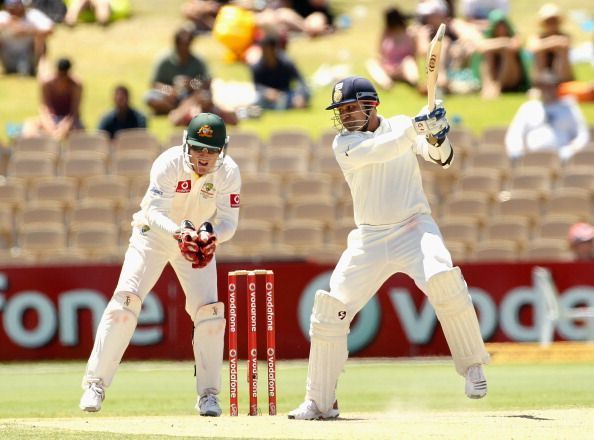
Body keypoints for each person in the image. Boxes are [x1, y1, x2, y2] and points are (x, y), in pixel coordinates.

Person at [287, 76, 489, 420]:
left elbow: (442, 158)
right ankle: (319, 401)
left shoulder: (399, 127)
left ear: (371, 105)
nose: (346, 116)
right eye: (342, 111)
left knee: (444, 279)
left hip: (413, 227)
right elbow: (385, 149)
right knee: (330, 309)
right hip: (369, 238)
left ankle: (473, 367)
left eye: (351, 108)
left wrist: (438, 136)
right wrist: (417, 126)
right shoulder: (345, 145)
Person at [79, 113, 241, 417]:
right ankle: (95, 384)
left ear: (223, 150)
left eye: (211, 150)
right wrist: (179, 232)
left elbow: (229, 222)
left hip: (194, 243)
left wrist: (211, 235)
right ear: (186, 144)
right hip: (154, 236)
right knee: (125, 303)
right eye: (198, 148)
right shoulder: (168, 163)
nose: (204, 157)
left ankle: (208, 395)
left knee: (210, 314)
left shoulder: (229, 173)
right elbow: (153, 212)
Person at [504, 70, 590, 162]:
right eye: (544, 86)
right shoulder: (529, 108)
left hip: (563, 159)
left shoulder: (569, 108)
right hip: (531, 159)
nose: (548, 90)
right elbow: (515, 133)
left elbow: (582, 135)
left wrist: (571, 149)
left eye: (551, 86)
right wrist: (517, 150)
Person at [145, 26, 210, 115]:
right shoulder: (165, 60)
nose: (184, 47)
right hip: (169, 97)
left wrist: (191, 84)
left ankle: (181, 109)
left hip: (191, 96)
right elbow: (154, 84)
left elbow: (207, 82)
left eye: (187, 43)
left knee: (206, 97)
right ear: (176, 43)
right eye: (181, 43)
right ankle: (179, 110)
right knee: (149, 97)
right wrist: (169, 90)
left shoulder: (198, 61)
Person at [472, 9, 530, 100]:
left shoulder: (514, 36)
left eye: (503, 26)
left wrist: (501, 45)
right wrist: (504, 43)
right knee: (488, 54)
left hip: (513, 77)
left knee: (507, 52)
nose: (501, 30)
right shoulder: (488, 38)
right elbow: (482, 47)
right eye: (498, 27)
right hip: (494, 73)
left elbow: (514, 46)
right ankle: (487, 86)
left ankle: (497, 87)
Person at [21, 57, 83, 140]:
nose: (62, 78)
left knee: (79, 132)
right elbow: (44, 108)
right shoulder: (47, 83)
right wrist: (50, 125)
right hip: (51, 118)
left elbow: (74, 111)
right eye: (60, 75)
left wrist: (66, 125)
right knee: (29, 126)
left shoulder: (76, 85)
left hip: (69, 120)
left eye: (64, 75)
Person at [249, 32, 310, 110]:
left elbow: (300, 81)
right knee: (257, 99)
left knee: (307, 93)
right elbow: (257, 85)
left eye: (266, 49)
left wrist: (299, 95)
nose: (264, 52)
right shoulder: (257, 66)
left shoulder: (286, 62)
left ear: (274, 49)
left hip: (286, 94)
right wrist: (267, 92)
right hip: (267, 96)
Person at [365, 6, 420, 91]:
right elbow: (379, 53)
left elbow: (414, 54)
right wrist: (385, 65)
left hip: (403, 67)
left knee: (408, 61)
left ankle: (412, 80)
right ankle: (386, 83)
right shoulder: (385, 34)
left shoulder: (410, 33)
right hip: (387, 67)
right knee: (371, 63)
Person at [0, 0, 54, 76]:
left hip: (27, 56)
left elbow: (50, 30)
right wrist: (6, 26)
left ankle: (39, 69)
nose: (14, 9)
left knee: (40, 38)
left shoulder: (33, 15)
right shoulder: (3, 17)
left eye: (17, 6)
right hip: (7, 56)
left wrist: (26, 31)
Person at [527, 3, 574, 84]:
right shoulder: (537, 37)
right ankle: (540, 85)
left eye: (554, 20)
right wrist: (554, 42)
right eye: (548, 21)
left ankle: (561, 83)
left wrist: (545, 44)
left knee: (561, 52)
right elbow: (533, 48)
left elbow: (565, 44)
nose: (551, 23)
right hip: (543, 71)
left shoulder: (565, 35)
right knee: (539, 53)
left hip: (562, 72)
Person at [168, 76, 238, 127]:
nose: (204, 96)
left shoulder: (216, 110)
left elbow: (234, 120)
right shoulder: (192, 110)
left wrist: (215, 106)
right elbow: (174, 120)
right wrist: (193, 100)